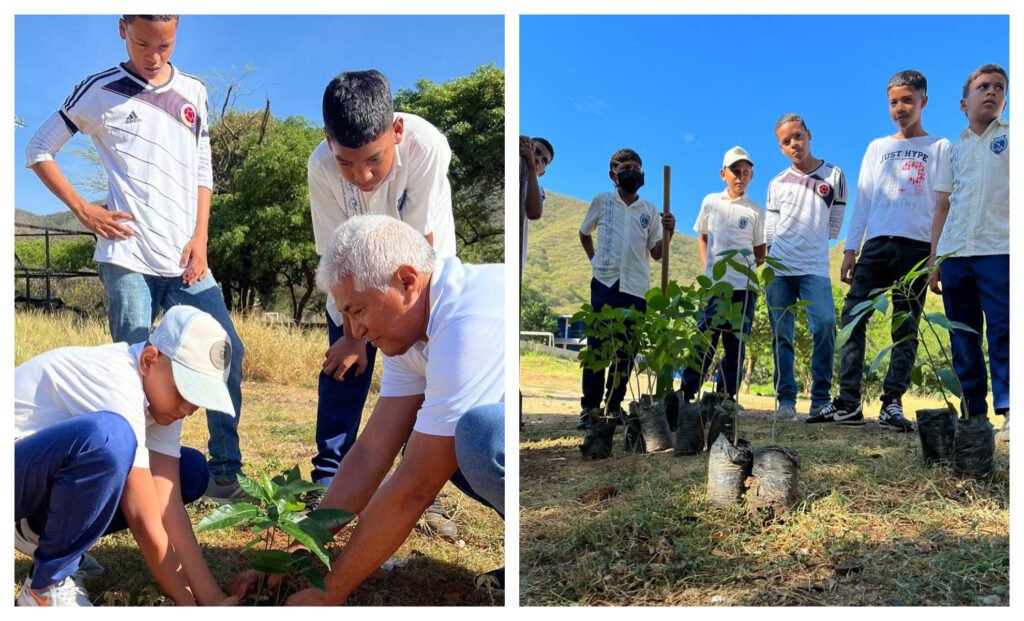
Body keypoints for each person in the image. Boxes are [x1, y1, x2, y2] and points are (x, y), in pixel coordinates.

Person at [24, 14, 246, 502]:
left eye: (165, 44)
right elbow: (39, 149)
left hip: (188, 259)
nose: (154, 55)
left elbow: (203, 170)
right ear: (122, 28)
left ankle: (225, 475)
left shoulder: (194, 91)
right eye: (143, 42)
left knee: (227, 353)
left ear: (178, 31)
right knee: (138, 375)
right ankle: (133, 481)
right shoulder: (98, 89)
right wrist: (84, 211)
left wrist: (201, 238)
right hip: (127, 259)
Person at [234, 215, 504, 604]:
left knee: (475, 437)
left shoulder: (466, 320)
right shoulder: (408, 331)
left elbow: (415, 488)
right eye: (346, 316)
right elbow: (373, 451)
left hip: (505, 436)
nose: (355, 332)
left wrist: (329, 594)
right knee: (435, 441)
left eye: (358, 311)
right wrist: (299, 547)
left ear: (406, 282)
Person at [306, 69, 458, 534]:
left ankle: (420, 487)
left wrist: (403, 321)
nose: (363, 176)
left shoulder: (427, 147)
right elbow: (336, 258)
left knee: (424, 384)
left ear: (396, 131)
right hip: (354, 278)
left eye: (374, 160)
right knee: (344, 369)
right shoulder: (321, 167)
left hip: (416, 281)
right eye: (347, 163)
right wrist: (354, 335)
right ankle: (328, 481)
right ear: (329, 140)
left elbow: (418, 249)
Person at [15, 306, 240, 607]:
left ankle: (43, 537)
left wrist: (212, 599)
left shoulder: (161, 399)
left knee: (190, 472)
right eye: (185, 392)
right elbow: (144, 517)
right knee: (111, 439)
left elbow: (165, 501)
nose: (188, 409)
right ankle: (45, 588)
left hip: (34, 485)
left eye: (198, 399)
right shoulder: (116, 378)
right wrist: (186, 603)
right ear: (149, 360)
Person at [813, 70, 951, 430]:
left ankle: (892, 403)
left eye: (908, 100)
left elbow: (942, 204)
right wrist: (850, 248)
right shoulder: (878, 147)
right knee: (854, 318)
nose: (900, 108)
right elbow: (864, 200)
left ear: (923, 100)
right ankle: (847, 402)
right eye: (893, 102)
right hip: (876, 245)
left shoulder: (939, 147)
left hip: (918, 248)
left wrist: (936, 256)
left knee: (905, 326)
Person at [929, 64, 1009, 442]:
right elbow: (943, 207)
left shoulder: (1012, 139)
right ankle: (973, 411)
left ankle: (1010, 409)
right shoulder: (953, 151)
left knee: (1005, 329)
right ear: (964, 103)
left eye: (999, 88)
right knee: (963, 334)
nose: (991, 92)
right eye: (983, 87)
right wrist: (935, 259)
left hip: (1002, 250)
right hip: (956, 254)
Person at [577, 148, 675, 431]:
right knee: (598, 347)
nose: (633, 172)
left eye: (637, 168)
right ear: (613, 174)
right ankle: (590, 408)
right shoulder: (602, 201)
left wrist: (668, 232)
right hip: (605, 283)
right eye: (626, 167)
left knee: (626, 352)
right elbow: (584, 233)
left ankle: (613, 405)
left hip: (635, 288)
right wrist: (595, 261)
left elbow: (657, 253)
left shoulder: (651, 211)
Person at [765, 114, 847, 421]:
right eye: (786, 142)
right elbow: (770, 231)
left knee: (825, 325)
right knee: (780, 334)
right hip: (780, 270)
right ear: (781, 148)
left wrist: (808, 245)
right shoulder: (776, 183)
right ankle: (785, 401)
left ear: (808, 135)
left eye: (797, 136)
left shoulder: (834, 175)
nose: (793, 144)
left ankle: (820, 400)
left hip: (814, 268)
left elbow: (833, 226)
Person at [681, 146, 765, 403]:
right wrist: (710, 266)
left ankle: (726, 400)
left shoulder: (755, 211)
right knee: (704, 340)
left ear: (751, 175)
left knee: (735, 347)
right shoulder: (710, 202)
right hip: (715, 287)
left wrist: (744, 270)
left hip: (744, 289)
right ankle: (686, 394)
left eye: (746, 172)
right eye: (735, 172)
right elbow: (703, 236)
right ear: (723, 174)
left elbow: (760, 251)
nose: (740, 177)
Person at [520, 135, 554, 275]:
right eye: (536, 152)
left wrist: (531, 165)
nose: (539, 159)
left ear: (542, 173)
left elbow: (534, 213)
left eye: (544, 161)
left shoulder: (537, 190)